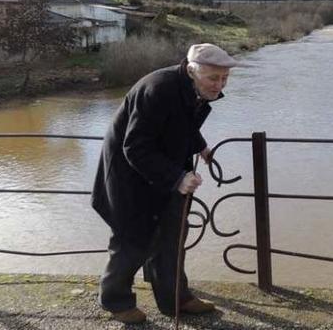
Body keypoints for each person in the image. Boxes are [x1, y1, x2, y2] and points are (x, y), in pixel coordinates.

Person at [91, 43, 237, 324]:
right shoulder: (158, 89)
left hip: (164, 170)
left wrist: (200, 146)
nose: (219, 86)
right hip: (130, 178)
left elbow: (183, 123)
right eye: (213, 78)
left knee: (172, 237)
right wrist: (177, 178)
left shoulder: (192, 87)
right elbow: (134, 147)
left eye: (224, 79)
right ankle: (116, 302)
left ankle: (176, 300)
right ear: (192, 71)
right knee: (132, 241)